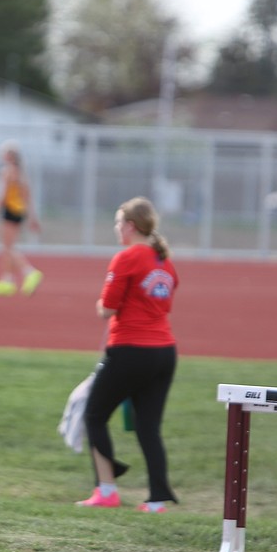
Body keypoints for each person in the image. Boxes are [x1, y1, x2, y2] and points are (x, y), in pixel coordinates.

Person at [76, 196, 178, 514]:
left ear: (131, 226)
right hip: (164, 352)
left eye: (119, 223)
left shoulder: (126, 258)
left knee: (93, 415)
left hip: (131, 350)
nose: (117, 229)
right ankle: (158, 498)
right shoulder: (165, 262)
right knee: (149, 426)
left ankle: (107, 489)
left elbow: (107, 308)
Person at [0, 140, 43, 296]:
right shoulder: (21, 173)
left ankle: (29, 272)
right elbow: (27, 197)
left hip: (10, 211)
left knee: (8, 247)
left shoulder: (7, 171)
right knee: (8, 247)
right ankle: (7, 280)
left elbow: (1, 196)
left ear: (9, 156)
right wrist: (32, 218)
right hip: (19, 212)